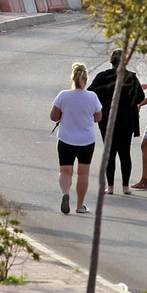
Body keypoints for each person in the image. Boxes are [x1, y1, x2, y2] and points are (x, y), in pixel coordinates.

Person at [87, 51, 142, 196]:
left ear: (111, 61)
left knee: (109, 153)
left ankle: (110, 187)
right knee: (125, 153)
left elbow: (90, 93)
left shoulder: (103, 76)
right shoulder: (131, 77)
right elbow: (141, 97)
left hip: (108, 120)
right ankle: (125, 186)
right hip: (126, 120)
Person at [50, 62, 101, 214]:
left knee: (65, 171)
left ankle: (66, 193)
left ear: (72, 78)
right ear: (86, 79)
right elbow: (98, 117)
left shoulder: (63, 95)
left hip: (66, 139)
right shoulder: (92, 97)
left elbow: (53, 117)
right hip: (86, 140)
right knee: (83, 173)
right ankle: (80, 206)